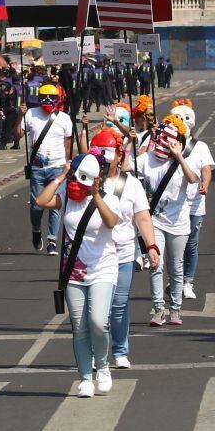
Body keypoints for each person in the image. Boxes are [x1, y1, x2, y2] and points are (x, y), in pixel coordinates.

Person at [34, 153, 123, 397]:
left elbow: (111, 221)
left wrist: (94, 194)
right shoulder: (66, 197)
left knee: (98, 322)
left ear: (96, 179)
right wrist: (62, 175)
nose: (77, 182)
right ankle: (85, 377)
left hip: (103, 268)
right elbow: (41, 201)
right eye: (76, 177)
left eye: (82, 179)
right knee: (80, 327)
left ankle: (103, 367)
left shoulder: (108, 198)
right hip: (73, 271)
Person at [93, 127, 156, 370]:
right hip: (94, 256)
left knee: (118, 305)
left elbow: (142, 217)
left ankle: (120, 350)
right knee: (98, 311)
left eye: (108, 152)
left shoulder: (132, 185)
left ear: (119, 156)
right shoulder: (85, 182)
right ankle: (98, 354)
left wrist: (151, 245)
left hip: (124, 253)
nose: (103, 158)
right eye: (98, 152)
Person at [137, 117, 198, 326]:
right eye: (159, 139)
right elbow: (127, 167)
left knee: (176, 266)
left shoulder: (181, 163)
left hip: (179, 223)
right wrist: (127, 140)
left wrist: (179, 157)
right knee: (156, 264)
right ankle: (158, 308)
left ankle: (175, 309)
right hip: (155, 222)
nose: (161, 144)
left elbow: (193, 179)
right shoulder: (145, 159)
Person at [23, 82, 75, 254]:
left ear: (57, 99)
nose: (47, 100)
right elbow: (17, 135)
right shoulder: (31, 114)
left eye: (51, 97)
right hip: (37, 168)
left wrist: (69, 165)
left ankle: (52, 240)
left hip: (57, 167)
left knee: (55, 206)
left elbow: (68, 145)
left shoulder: (65, 118)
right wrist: (20, 116)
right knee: (37, 206)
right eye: (43, 97)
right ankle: (36, 230)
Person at [172, 100, 212, 302]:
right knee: (175, 246)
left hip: (195, 204)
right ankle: (176, 279)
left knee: (191, 245)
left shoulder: (201, 147)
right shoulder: (166, 146)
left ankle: (187, 282)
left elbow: (206, 169)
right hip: (172, 205)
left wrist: (205, 184)